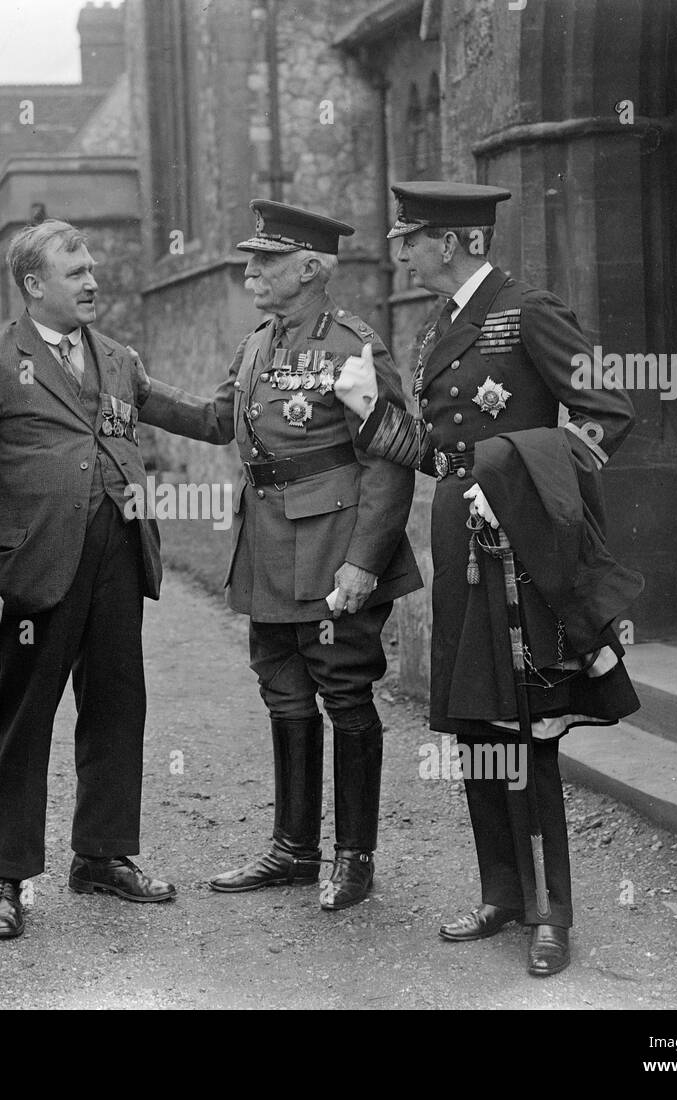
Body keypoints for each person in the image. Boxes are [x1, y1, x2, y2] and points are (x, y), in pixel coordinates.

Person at [334, 181, 641, 976]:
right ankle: (502, 892)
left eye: (410, 239)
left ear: (453, 241)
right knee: (477, 722)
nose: (400, 254)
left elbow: (606, 414)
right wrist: (372, 414)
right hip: (460, 544)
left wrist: (515, 480)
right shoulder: (439, 324)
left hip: (522, 551)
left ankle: (551, 914)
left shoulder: (529, 310)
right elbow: (440, 456)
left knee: (530, 728)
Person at [133, 200, 422, 910]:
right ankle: (294, 849)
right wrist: (141, 392)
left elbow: (387, 462)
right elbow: (215, 420)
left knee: (344, 688)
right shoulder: (259, 343)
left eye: (266, 260)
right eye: (252, 260)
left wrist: (364, 561)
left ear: (312, 268)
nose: (250, 272)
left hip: (332, 546)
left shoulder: (354, 346)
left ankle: (354, 857)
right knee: (283, 687)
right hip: (267, 542)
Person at [0, 219, 174, 943]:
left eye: (91, 269)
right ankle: (6, 876)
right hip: (36, 569)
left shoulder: (114, 356)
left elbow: (186, 413)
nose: (91, 282)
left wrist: (253, 397)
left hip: (118, 556)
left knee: (117, 704)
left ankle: (103, 855)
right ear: (32, 285)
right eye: (75, 272)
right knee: (24, 718)